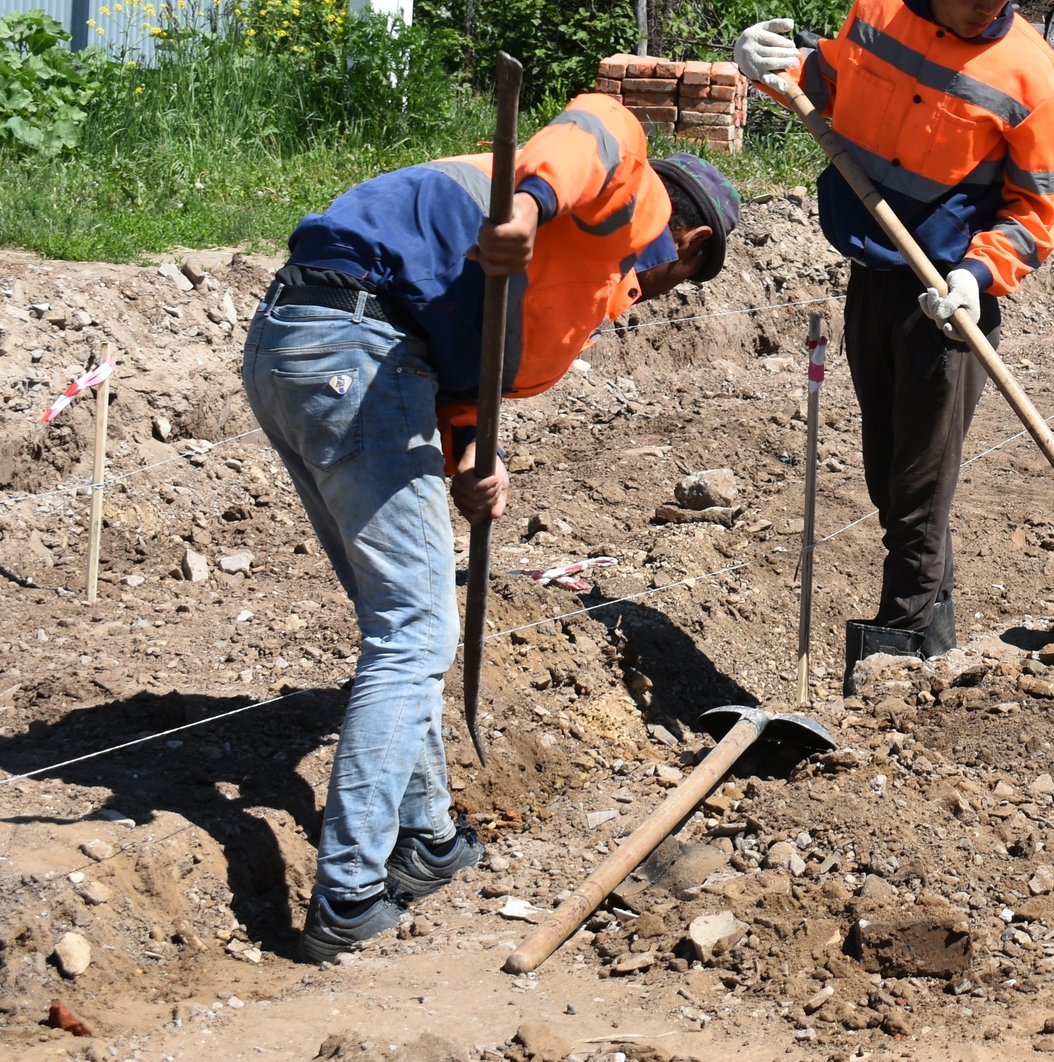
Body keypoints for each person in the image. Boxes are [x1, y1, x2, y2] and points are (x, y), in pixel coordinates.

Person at [242, 102, 738, 962]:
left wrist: (470, 454)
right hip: (356, 347)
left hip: (297, 345)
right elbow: (599, 126)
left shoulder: (568, 273)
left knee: (405, 621)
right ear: (690, 245)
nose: (655, 297)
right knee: (414, 633)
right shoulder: (628, 206)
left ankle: (428, 835)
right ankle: (350, 891)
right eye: (683, 279)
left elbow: (459, 368)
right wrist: (529, 207)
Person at [732, 0, 1054, 668]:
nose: (991, 5)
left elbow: (1034, 211)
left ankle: (903, 640)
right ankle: (935, 629)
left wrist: (977, 276)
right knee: (889, 475)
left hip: (950, 301)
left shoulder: (1037, 76)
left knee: (919, 488)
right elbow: (827, 85)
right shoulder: (877, 8)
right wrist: (771, 66)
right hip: (873, 275)